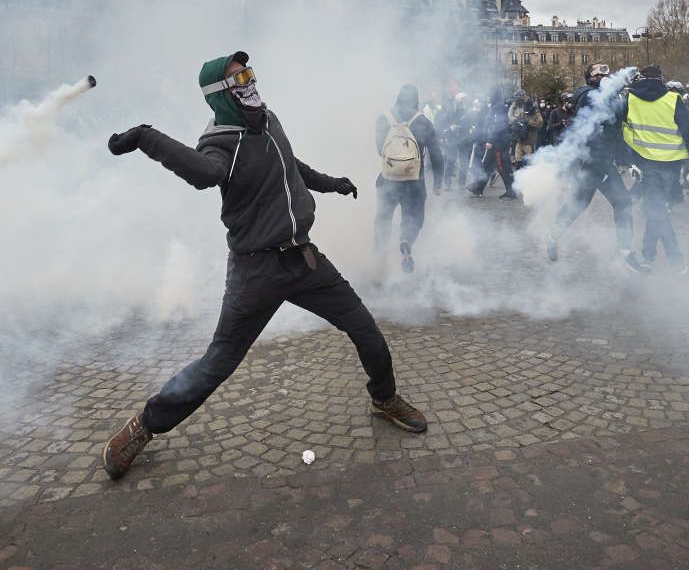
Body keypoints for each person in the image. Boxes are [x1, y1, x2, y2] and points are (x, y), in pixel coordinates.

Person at [99, 51, 426, 480]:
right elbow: (201, 173)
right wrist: (146, 137)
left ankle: (384, 399)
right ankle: (143, 427)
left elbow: (290, 164)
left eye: (250, 73)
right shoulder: (221, 141)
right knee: (216, 364)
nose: (250, 83)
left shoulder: (269, 120)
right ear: (221, 94)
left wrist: (331, 184)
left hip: (304, 259)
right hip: (255, 272)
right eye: (239, 79)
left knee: (365, 328)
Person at [619, 64, 689, 274]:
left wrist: (627, 161)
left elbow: (619, 130)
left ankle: (654, 256)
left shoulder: (630, 99)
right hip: (671, 165)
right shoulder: (673, 99)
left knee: (655, 210)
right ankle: (671, 259)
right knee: (657, 210)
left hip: (645, 164)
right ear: (661, 78)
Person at [546, 63, 635, 262]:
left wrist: (631, 93)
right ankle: (625, 251)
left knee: (579, 204)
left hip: (602, 160)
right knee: (623, 202)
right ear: (590, 78)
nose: (604, 77)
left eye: (607, 74)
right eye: (599, 75)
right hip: (592, 160)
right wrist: (613, 88)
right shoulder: (585, 94)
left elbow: (621, 117)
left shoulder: (610, 95)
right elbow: (594, 102)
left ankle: (553, 235)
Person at [374, 84, 445, 273]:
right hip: (414, 181)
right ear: (416, 100)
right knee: (413, 218)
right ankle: (406, 241)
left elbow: (380, 150)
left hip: (387, 180)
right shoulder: (423, 122)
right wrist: (438, 182)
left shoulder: (383, 119)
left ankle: (379, 257)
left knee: (382, 218)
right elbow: (436, 155)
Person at [469, 93, 519, 198]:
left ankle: (511, 192)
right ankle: (478, 188)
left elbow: (497, 126)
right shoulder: (497, 107)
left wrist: (491, 141)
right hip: (498, 142)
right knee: (487, 166)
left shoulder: (498, 108)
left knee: (503, 168)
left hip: (498, 144)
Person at [508, 91, 544, 167]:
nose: (516, 101)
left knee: (529, 163)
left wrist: (528, 122)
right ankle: (519, 177)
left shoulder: (531, 106)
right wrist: (516, 120)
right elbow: (510, 115)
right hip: (518, 139)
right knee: (518, 162)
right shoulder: (515, 106)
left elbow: (540, 123)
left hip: (529, 140)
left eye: (518, 99)